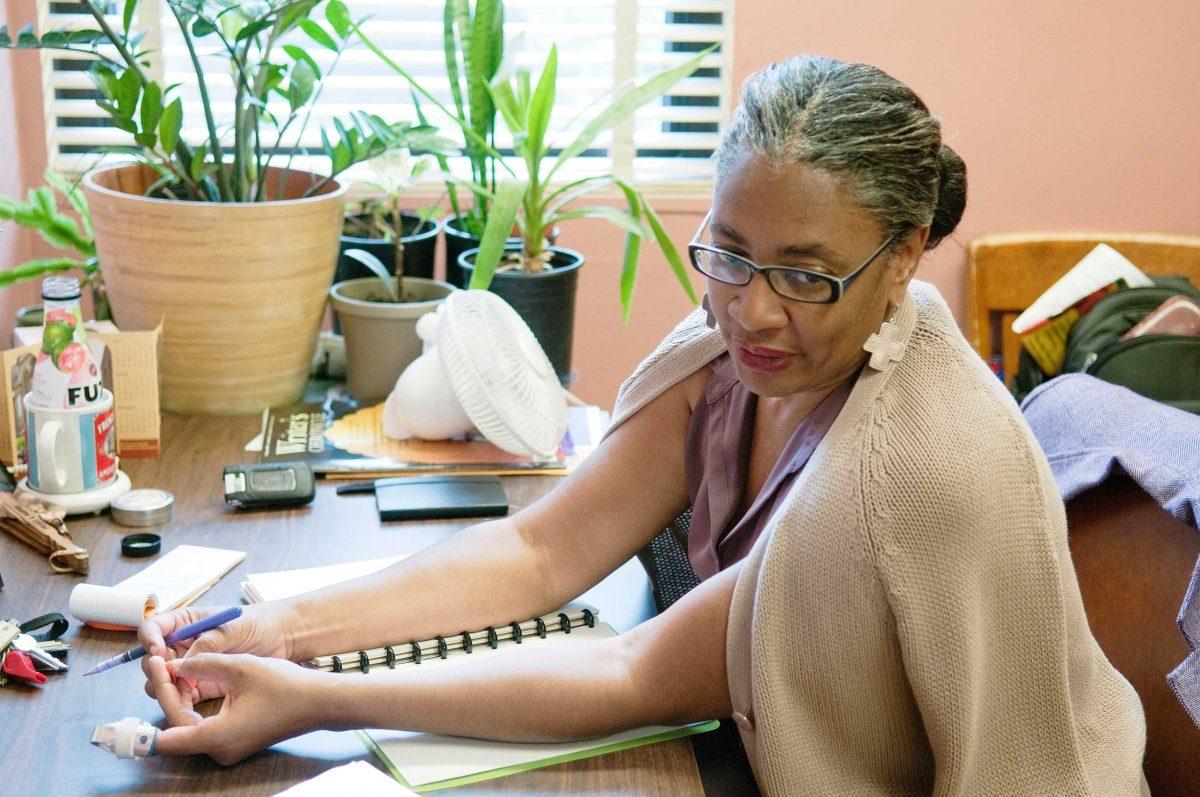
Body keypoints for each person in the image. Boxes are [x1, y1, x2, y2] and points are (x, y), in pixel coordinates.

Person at [139, 55, 1149, 794]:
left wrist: (316, 699)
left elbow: (636, 671)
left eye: (805, 273)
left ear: (906, 255)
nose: (752, 307)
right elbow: (541, 547)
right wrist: (279, 632)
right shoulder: (741, 343)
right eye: (729, 250)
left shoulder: (906, 468)